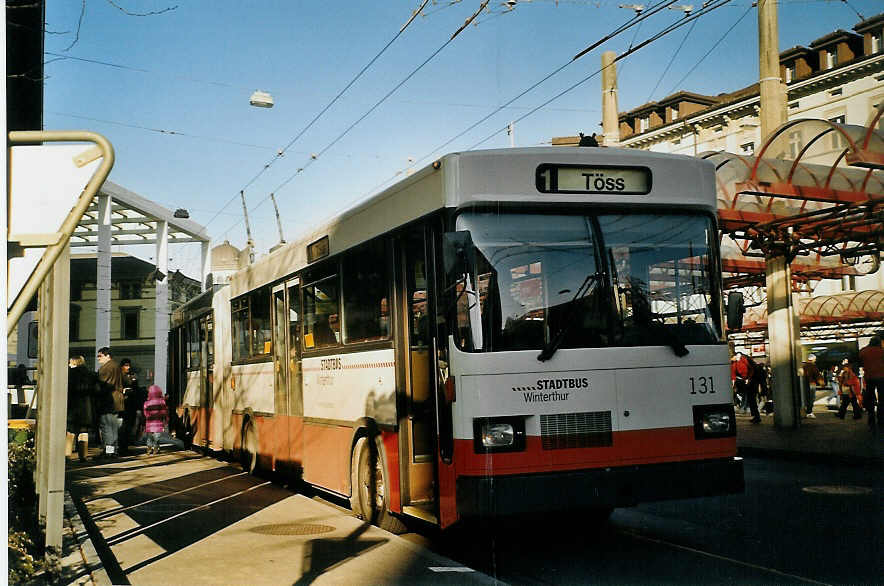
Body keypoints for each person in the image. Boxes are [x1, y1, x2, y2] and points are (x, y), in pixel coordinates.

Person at [67, 356, 96, 462]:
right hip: (86, 408)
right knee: (83, 432)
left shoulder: (70, 374)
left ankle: (67, 455)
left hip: (73, 407)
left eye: (70, 362)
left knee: (70, 431)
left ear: (74, 363)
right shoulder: (89, 374)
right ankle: (83, 456)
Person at [96, 347, 125, 457]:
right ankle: (113, 450)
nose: (98, 358)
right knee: (113, 428)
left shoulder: (106, 368)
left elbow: (102, 385)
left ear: (108, 356)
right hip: (117, 401)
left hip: (108, 400)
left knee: (107, 427)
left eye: (100, 356)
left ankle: (109, 452)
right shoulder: (117, 366)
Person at [858, 336, 884, 431]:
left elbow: (859, 362)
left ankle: (871, 418)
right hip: (882, 377)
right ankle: (881, 419)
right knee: (882, 399)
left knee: (870, 398)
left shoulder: (863, 351)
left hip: (869, 378)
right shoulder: (882, 351)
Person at [731, 352, 760, 423]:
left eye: (731, 358)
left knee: (751, 398)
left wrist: (748, 379)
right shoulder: (735, 363)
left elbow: (751, 369)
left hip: (752, 380)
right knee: (750, 398)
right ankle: (756, 416)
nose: (731, 359)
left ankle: (756, 416)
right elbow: (733, 375)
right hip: (747, 381)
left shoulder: (743, 359)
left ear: (735, 356)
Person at [118, 358, 139, 456]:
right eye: (126, 365)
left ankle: (125, 446)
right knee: (123, 427)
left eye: (129, 365)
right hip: (123, 404)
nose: (128, 367)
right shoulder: (120, 375)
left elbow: (136, 388)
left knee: (128, 426)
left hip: (131, 404)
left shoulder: (132, 375)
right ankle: (122, 447)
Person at [143, 385, 168, 455]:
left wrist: (148, 416)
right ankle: (156, 448)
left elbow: (145, 413)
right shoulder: (162, 402)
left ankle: (149, 448)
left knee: (149, 437)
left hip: (149, 423)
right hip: (158, 422)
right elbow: (164, 412)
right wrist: (164, 419)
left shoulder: (147, 403)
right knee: (157, 436)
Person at [800, 354, 821, 419]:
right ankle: (809, 412)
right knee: (811, 398)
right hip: (811, 384)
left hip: (804, 384)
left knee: (806, 398)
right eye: (815, 359)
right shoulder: (813, 366)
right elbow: (817, 375)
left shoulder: (804, 366)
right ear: (812, 359)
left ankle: (806, 411)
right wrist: (821, 382)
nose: (815, 360)